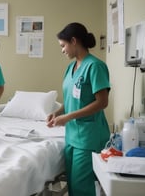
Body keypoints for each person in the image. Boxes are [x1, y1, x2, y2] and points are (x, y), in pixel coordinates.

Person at [46, 22, 111, 196]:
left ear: (74, 41)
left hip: (89, 135)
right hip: (72, 135)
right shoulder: (71, 67)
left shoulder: (95, 66)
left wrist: (67, 117)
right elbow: (72, 100)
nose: (62, 50)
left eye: (63, 45)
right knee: (73, 185)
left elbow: (102, 102)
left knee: (82, 186)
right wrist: (58, 113)